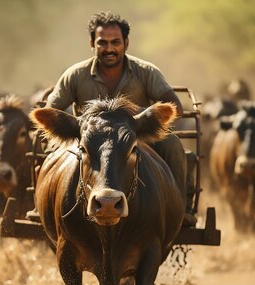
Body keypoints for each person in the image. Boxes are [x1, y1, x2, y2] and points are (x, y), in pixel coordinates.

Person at [44, 11, 196, 226]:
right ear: (92, 43)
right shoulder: (75, 74)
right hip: (89, 141)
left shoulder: (146, 71)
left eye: (115, 42)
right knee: (50, 151)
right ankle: (43, 206)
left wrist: (135, 118)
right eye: (102, 42)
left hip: (134, 137)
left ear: (126, 42)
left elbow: (174, 106)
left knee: (172, 144)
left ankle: (180, 209)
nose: (109, 48)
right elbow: (52, 110)